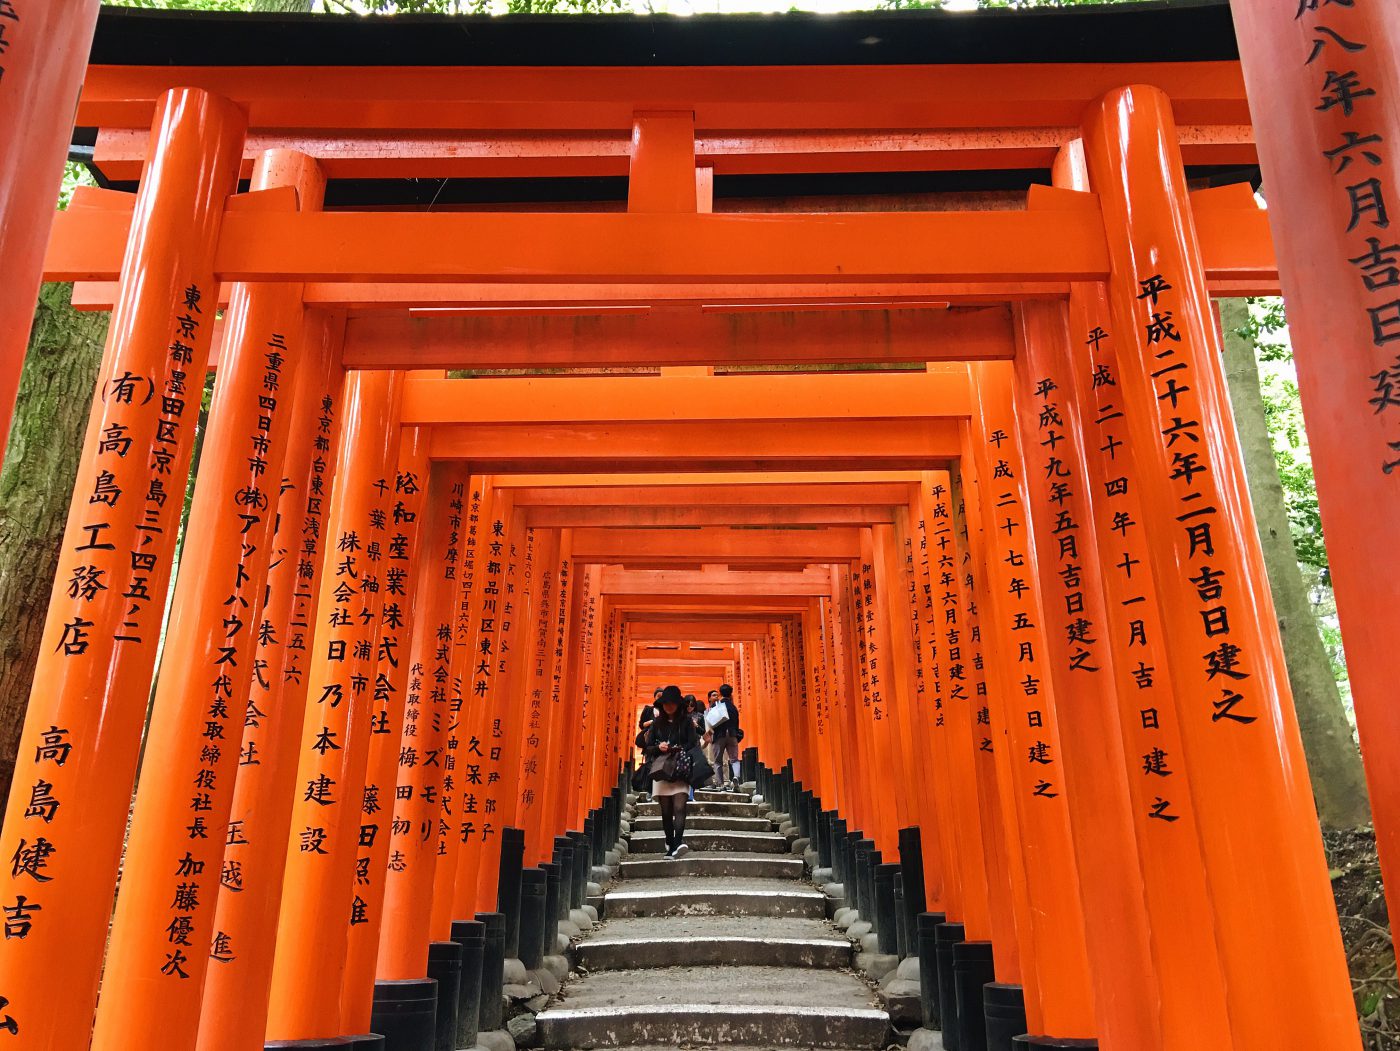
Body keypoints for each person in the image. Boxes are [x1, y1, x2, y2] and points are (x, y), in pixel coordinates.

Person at [639, 684, 700, 858]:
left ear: (678, 704)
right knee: (666, 811)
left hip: (680, 769)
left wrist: (679, 748)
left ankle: (678, 843)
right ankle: (670, 842)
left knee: (680, 807)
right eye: (666, 703)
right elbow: (647, 748)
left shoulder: (687, 722)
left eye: (672, 702)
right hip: (662, 770)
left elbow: (693, 743)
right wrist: (659, 747)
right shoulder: (657, 723)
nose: (669, 706)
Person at [709, 683, 743, 792]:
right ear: (731, 693)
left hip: (719, 735)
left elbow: (710, 721)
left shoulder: (716, 705)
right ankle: (736, 777)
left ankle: (721, 784)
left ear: (720, 693)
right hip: (732, 734)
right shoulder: (733, 707)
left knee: (718, 761)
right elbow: (737, 722)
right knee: (734, 759)